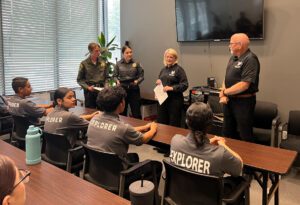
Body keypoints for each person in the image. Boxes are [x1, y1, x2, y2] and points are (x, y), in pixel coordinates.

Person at [170, 102, 245, 203]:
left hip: (178, 199)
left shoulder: (175, 141)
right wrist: (223, 144)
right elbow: (239, 166)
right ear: (210, 126)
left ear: (187, 122)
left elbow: (194, 152)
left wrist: (208, 142)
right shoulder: (220, 154)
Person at [87, 86, 157, 161]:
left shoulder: (94, 119)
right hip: (117, 169)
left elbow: (118, 131)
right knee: (155, 165)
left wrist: (144, 127)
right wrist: (153, 128)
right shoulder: (123, 128)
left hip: (95, 166)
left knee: (133, 157)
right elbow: (143, 139)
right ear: (121, 104)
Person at [219, 33, 260, 142]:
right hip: (229, 101)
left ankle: (246, 159)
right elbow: (226, 77)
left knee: (244, 134)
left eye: (231, 43)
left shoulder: (250, 59)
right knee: (227, 132)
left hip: (243, 103)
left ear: (239, 45)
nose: (229, 46)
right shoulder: (233, 58)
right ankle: (228, 158)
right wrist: (223, 93)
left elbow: (244, 84)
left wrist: (225, 92)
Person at [156, 48, 188, 127]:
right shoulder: (163, 70)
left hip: (174, 102)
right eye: (167, 57)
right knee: (161, 123)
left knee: (173, 125)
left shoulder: (179, 70)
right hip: (162, 101)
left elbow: (185, 85)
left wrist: (171, 88)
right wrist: (158, 85)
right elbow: (160, 84)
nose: (169, 59)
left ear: (175, 58)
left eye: (171, 57)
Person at [115, 45, 144, 119]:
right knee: (122, 112)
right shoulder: (118, 64)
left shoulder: (136, 63)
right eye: (127, 53)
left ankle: (138, 128)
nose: (129, 54)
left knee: (136, 112)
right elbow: (114, 76)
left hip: (133, 89)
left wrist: (137, 81)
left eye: (131, 52)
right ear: (123, 54)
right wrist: (117, 81)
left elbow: (141, 76)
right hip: (122, 89)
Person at [77, 42, 109, 108]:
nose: (99, 53)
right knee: (90, 112)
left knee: (102, 112)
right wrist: (87, 87)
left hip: (101, 91)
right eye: (96, 51)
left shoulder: (103, 62)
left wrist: (106, 85)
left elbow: (107, 77)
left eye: (99, 50)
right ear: (90, 51)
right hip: (90, 92)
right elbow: (79, 80)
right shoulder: (84, 64)